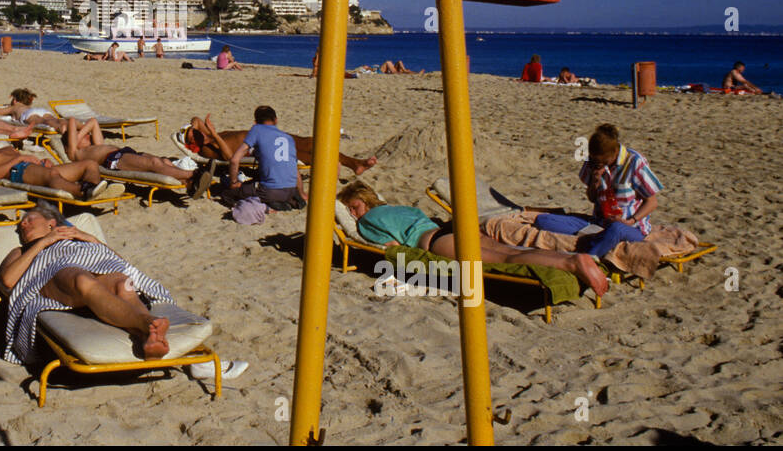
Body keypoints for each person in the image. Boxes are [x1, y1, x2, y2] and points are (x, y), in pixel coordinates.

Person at [337, 182, 609, 296]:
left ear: (361, 202)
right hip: (453, 229)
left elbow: (390, 247)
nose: (353, 213)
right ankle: (572, 259)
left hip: (435, 243)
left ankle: (573, 264)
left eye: (354, 207)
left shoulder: (370, 220)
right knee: (509, 251)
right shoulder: (399, 208)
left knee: (506, 258)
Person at [0, 203, 171, 364]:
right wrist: (44, 242)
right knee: (81, 280)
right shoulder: (21, 250)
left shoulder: (77, 239)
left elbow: (120, 263)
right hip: (53, 273)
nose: (23, 226)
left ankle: (148, 336)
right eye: (21, 227)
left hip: (91, 265)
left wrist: (89, 238)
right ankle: (147, 323)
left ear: (51, 223)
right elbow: (8, 280)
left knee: (125, 283)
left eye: (29, 219)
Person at [530, 123, 663, 260]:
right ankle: (601, 241)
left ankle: (586, 259)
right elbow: (592, 198)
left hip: (629, 227)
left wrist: (630, 221)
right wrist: (595, 182)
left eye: (603, 161)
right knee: (544, 220)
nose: (598, 163)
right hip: (598, 223)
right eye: (595, 160)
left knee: (616, 230)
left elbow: (652, 202)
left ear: (613, 153)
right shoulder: (592, 162)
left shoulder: (633, 162)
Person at [184, 114, 376, 176]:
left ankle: (353, 163)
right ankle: (345, 164)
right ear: (193, 144)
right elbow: (228, 158)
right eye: (194, 136)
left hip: (262, 134)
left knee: (306, 142)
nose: (197, 133)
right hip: (256, 147)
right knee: (301, 152)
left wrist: (201, 129)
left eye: (195, 132)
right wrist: (214, 136)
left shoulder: (206, 134)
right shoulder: (208, 148)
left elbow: (195, 119)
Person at [64, 116, 212, 197]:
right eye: (83, 136)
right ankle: (194, 175)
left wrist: (82, 136)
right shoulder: (76, 153)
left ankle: (190, 184)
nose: (87, 135)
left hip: (125, 152)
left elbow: (93, 122)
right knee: (154, 163)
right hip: (114, 159)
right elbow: (71, 120)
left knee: (164, 161)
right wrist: (78, 138)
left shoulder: (95, 145)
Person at [0, 127, 117, 201]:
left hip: (35, 170)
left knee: (90, 164)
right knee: (52, 174)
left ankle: (93, 189)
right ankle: (83, 192)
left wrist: (42, 162)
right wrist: (19, 159)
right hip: (17, 171)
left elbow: (30, 163)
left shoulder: (7, 147)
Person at [221, 106, 306, 210]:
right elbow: (295, 170)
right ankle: (290, 200)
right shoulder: (288, 138)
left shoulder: (257, 130)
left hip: (271, 191)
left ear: (255, 122)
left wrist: (234, 182)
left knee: (227, 194)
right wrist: (301, 192)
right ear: (276, 120)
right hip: (292, 190)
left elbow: (234, 160)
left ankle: (268, 204)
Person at [0, 88, 64, 132]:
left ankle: (59, 127)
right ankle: (68, 124)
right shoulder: (26, 107)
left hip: (28, 114)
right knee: (54, 119)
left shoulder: (14, 107)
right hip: (41, 110)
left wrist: (8, 108)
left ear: (15, 100)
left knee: (43, 121)